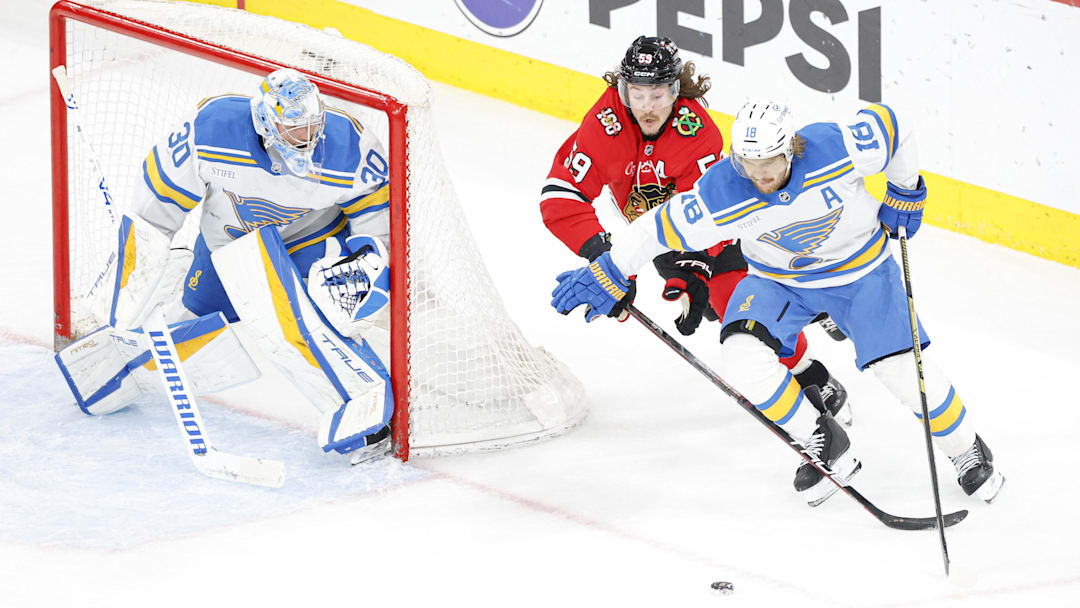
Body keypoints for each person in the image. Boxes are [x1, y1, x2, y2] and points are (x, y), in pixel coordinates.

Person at [551, 98, 1005, 507]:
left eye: (769, 160)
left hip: (861, 271)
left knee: (902, 373)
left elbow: (897, 123)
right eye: (749, 163)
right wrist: (610, 269)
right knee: (743, 359)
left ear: (791, 149)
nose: (761, 174)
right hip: (777, 281)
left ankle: (966, 449)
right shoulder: (722, 190)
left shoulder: (836, 146)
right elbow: (656, 227)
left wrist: (906, 188)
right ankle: (823, 439)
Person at [54, 68, 394, 464]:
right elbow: (151, 221)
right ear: (267, 122)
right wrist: (122, 311)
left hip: (311, 244)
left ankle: (365, 410)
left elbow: (379, 232)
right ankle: (119, 374)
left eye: (312, 127)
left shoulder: (350, 147)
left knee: (298, 326)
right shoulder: (211, 132)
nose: (308, 139)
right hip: (228, 245)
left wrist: (363, 267)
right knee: (190, 326)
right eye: (294, 130)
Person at [540, 35, 850, 423]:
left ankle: (812, 370)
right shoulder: (605, 124)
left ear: (675, 89)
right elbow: (560, 196)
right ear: (622, 89)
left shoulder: (698, 133)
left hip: (725, 225)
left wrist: (699, 267)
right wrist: (607, 261)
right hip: (657, 235)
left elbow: (714, 218)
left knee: (737, 301)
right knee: (723, 309)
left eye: (658, 95)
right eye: (636, 94)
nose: (647, 107)